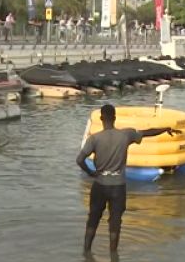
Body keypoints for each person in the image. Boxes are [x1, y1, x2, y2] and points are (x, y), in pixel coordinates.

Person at [76, 104, 177, 253]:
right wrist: (165, 129)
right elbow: (148, 132)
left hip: (100, 184)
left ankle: (86, 252)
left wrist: (91, 173)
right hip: (118, 186)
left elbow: (79, 160)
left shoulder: (94, 139)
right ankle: (113, 256)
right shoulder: (126, 135)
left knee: (93, 219)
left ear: (102, 118)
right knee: (115, 222)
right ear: (114, 118)